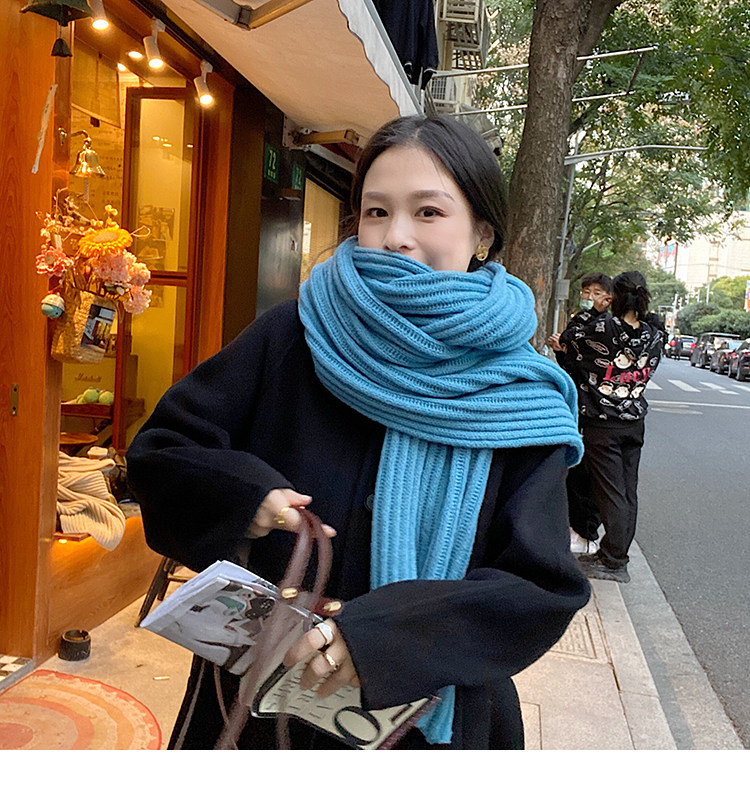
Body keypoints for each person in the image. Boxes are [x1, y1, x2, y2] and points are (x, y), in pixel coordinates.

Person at [126, 114, 590, 750]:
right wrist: (245, 497)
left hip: (425, 730)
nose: (395, 236)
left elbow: (540, 587)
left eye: (428, 212)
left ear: (482, 233)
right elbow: (162, 452)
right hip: (257, 706)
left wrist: (382, 638)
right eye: (376, 212)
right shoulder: (293, 335)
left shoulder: (523, 397)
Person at [558, 271, 665, 583]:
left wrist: (594, 310)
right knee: (628, 491)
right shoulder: (654, 334)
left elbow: (568, 340)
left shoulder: (603, 328)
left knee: (610, 492)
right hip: (634, 421)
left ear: (614, 296)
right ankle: (616, 555)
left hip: (603, 423)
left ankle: (613, 560)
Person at [548, 274, 613, 554]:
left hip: (598, 408)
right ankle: (576, 528)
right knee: (575, 471)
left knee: (588, 474)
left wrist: (568, 347)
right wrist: (562, 352)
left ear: (609, 297)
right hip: (579, 404)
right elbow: (573, 364)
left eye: (596, 292)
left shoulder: (607, 326)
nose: (589, 297)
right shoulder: (583, 321)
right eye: (586, 291)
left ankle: (586, 532)